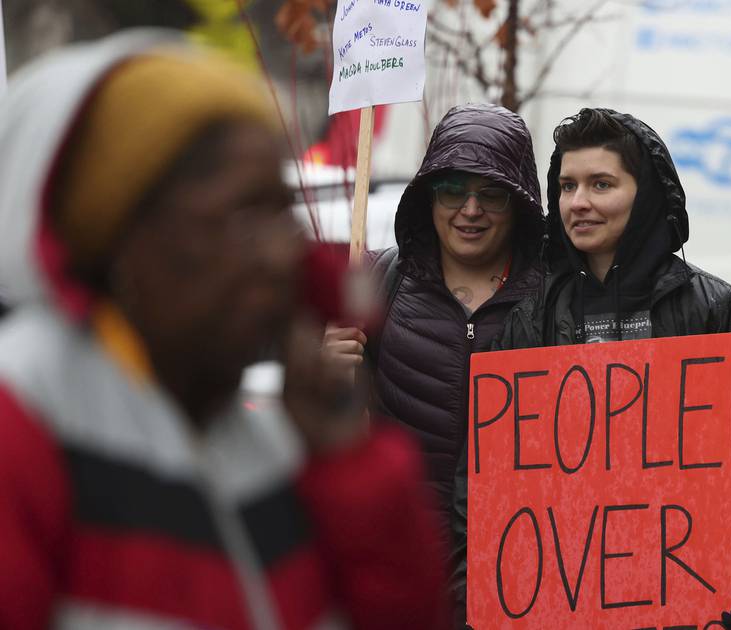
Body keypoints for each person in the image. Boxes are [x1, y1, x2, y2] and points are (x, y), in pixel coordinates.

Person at [0, 32, 449, 629]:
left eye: (279, 213)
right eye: (242, 216)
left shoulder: (273, 443)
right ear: (122, 236)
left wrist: (352, 472)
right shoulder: (27, 424)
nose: (280, 253)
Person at [452, 107, 731, 629]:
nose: (579, 203)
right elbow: (482, 485)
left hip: (689, 607)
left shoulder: (712, 309)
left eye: (601, 184)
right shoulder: (530, 317)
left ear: (646, 195)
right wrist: (486, 588)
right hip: (561, 609)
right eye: (567, 186)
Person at [322, 103, 545, 525]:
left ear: (518, 203)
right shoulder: (373, 280)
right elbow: (320, 432)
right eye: (453, 190)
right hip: (407, 553)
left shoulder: (558, 298)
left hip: (515, 560)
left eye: (492, 193)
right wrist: (324, 374)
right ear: (429, 196)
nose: (471, 209)